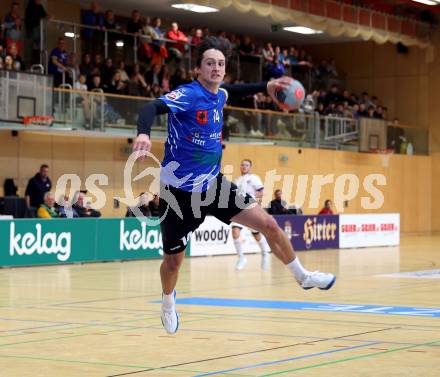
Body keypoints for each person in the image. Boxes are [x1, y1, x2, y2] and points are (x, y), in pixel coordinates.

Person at [133, 37, 336, 335]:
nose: (216, 68)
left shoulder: (219, 95)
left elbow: (235, 91)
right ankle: (167, 302)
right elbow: (149, 108)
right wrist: (144, 134)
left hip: (213, 186)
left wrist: (266, 86)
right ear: (198, 69)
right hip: (178, 195)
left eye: (220, 64)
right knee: (173, 262)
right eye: (210, 63)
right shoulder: (188, 95)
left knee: (267, 223)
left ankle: (303, 276)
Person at [231, 159, 271, 270]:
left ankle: (265, 252)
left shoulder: (254, 178)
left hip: (251, 208)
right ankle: (241, 257)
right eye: (242, 165)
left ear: (250, 167)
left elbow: (260, 192)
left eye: (246, 165)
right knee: (235, 232)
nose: (244, 167)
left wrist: (257, 205)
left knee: (256, 234)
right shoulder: (237, 180)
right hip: (239, 210)